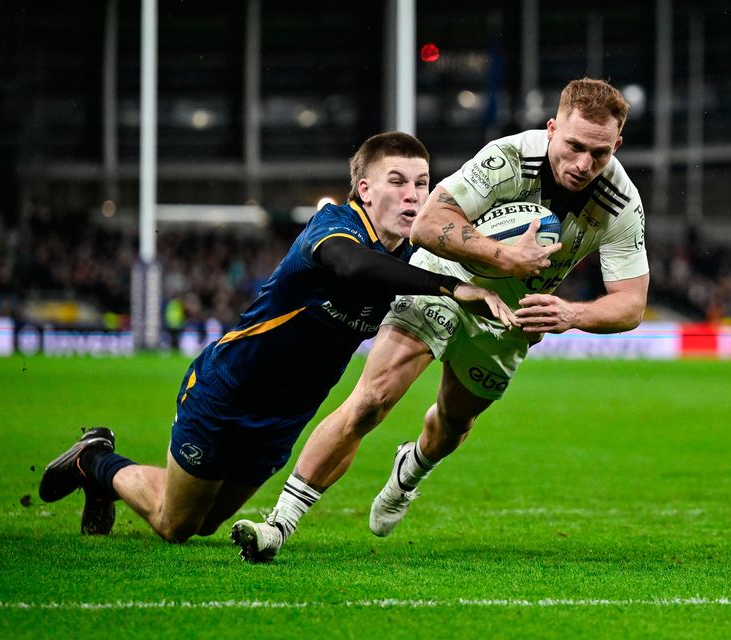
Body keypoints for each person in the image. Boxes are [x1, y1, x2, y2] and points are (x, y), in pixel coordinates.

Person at [232, 77, 649, 561]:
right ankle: (278, 526)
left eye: (599, 153)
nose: (583, 164)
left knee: (452, 423)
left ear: (616, 145)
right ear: (552, 128)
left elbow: (631, 304)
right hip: (445, 277)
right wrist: (503, 257)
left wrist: (572, 313)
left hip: (511, 317)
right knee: (372, 399)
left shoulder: (621, 202)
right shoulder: (508, 158)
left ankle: (410, 470)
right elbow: (429, 223)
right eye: (574, 146)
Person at [37, 131, 515, 543]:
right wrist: (450, 285)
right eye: (397, 182)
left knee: (206, 525)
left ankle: (105, 472)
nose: (413, 195)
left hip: (286, 415)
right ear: (365, 189)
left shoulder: (416, 252)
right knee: (175, 524)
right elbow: (352, 268)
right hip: (229, 389)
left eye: (421, 183)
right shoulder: (336, 227)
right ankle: (95, 460)